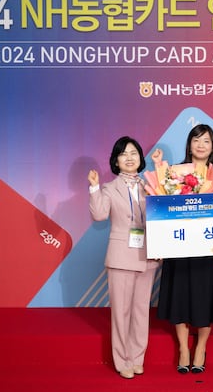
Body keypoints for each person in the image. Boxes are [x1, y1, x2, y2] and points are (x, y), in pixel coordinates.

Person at [154, 124, 213, 374]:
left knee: (204, 298)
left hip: (208, 250)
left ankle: (200, 347)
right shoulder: (173, 174)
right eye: (196, 140)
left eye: (206, 141)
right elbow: (162, 210)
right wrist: (160, 243)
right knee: (179, 297)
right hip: (179, 247)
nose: (201, 145)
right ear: (189, 144)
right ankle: (183, 349)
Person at [88, 136, 159, 379]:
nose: (129, 158)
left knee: (141, 311)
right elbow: (99, 215)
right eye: (123, 154)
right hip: (121, 257)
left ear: (140, 158)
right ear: (116, 161)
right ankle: (122, 360)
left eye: (134, 153)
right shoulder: (109, 188)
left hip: (147, 255)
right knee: (121, 312)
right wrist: (94, 188)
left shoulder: (150, 186)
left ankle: (137, 358)